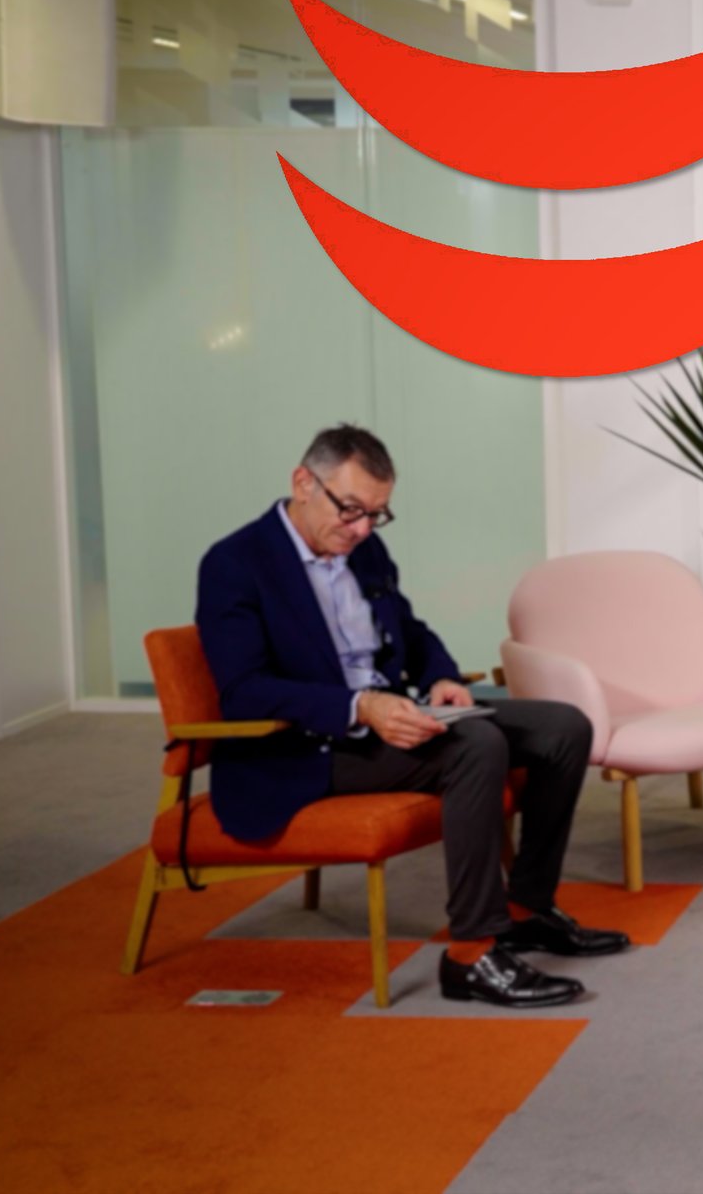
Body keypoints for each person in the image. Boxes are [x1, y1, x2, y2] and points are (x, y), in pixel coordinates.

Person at [195, 425, 629, 1009]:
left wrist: (441, 679)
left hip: (392, 712)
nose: (363, 529)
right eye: (350, 510)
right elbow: (244, 691)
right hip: (307, 745)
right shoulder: (235, 563)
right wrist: (359, 707)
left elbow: (411, 631)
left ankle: (526, 910)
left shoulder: (364, 550)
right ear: (303, 483)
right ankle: (471, 955)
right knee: (476, 747)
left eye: (377, 514)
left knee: (564, 727)